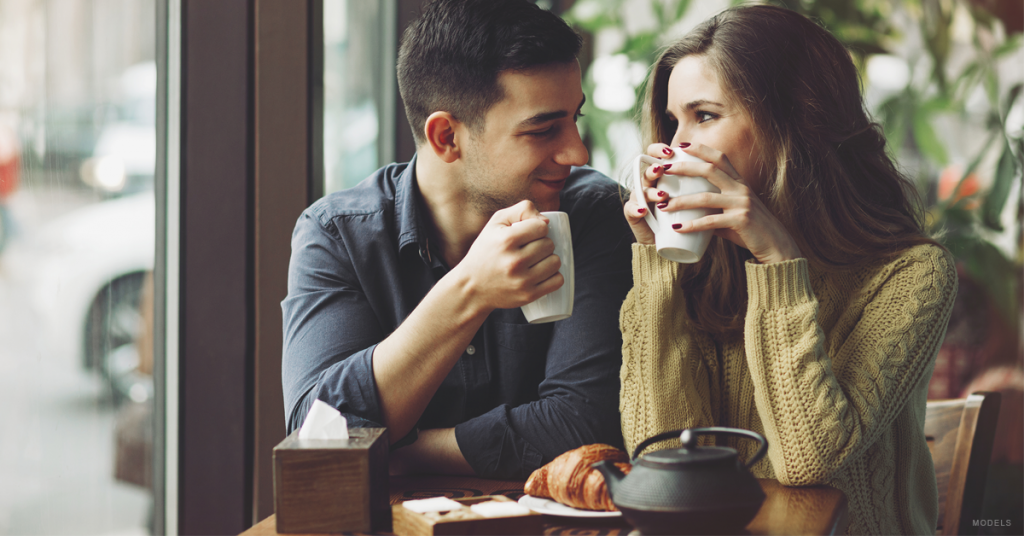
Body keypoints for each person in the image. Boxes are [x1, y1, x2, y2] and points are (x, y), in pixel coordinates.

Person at [619, 5, 956, 535]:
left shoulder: (912, 274)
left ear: (792, 123)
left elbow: (807, 460)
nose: (674, 145)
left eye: (703, 115)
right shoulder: (704, 266)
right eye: (671, 121)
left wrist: (777, 262)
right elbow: (659, 457)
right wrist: (659, 268)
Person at [282, 0, 633, 480]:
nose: (577, 150)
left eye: (575, 118)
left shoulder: (594, 213)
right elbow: (317, 439)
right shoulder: (339, 235)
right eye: (544, 129)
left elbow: (584, 427)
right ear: (447, 136)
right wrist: (470, 289)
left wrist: (396, 452)